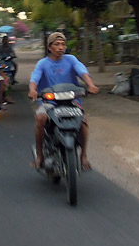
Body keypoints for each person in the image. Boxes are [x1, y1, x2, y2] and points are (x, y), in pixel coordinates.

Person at [28, 32, 99, 170]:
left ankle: (83, 155)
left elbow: (82, 71)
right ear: (49, 47)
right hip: (50, 102)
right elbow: (34, 78)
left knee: (83, 123)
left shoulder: (71, 59)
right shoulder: (43, 63)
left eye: (63, 44)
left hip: (71, 100)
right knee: (41, 118)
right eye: (57, 44)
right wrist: (33, 90)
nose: (61, 47)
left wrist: (91, 85)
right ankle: (40, 156)